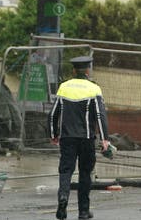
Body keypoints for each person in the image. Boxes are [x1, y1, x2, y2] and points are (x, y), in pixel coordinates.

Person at [48, 56, 109, 220]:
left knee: (66, 170)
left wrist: (54, 134)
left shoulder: (64, 87)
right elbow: (99, 115)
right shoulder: (94, 89)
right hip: (86, 138)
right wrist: (104, 139)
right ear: (88, 70)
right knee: (85, 173)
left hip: (67, 138)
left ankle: (63, 198)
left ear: (73, 71)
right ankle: (83, 211)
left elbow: (53, 113)